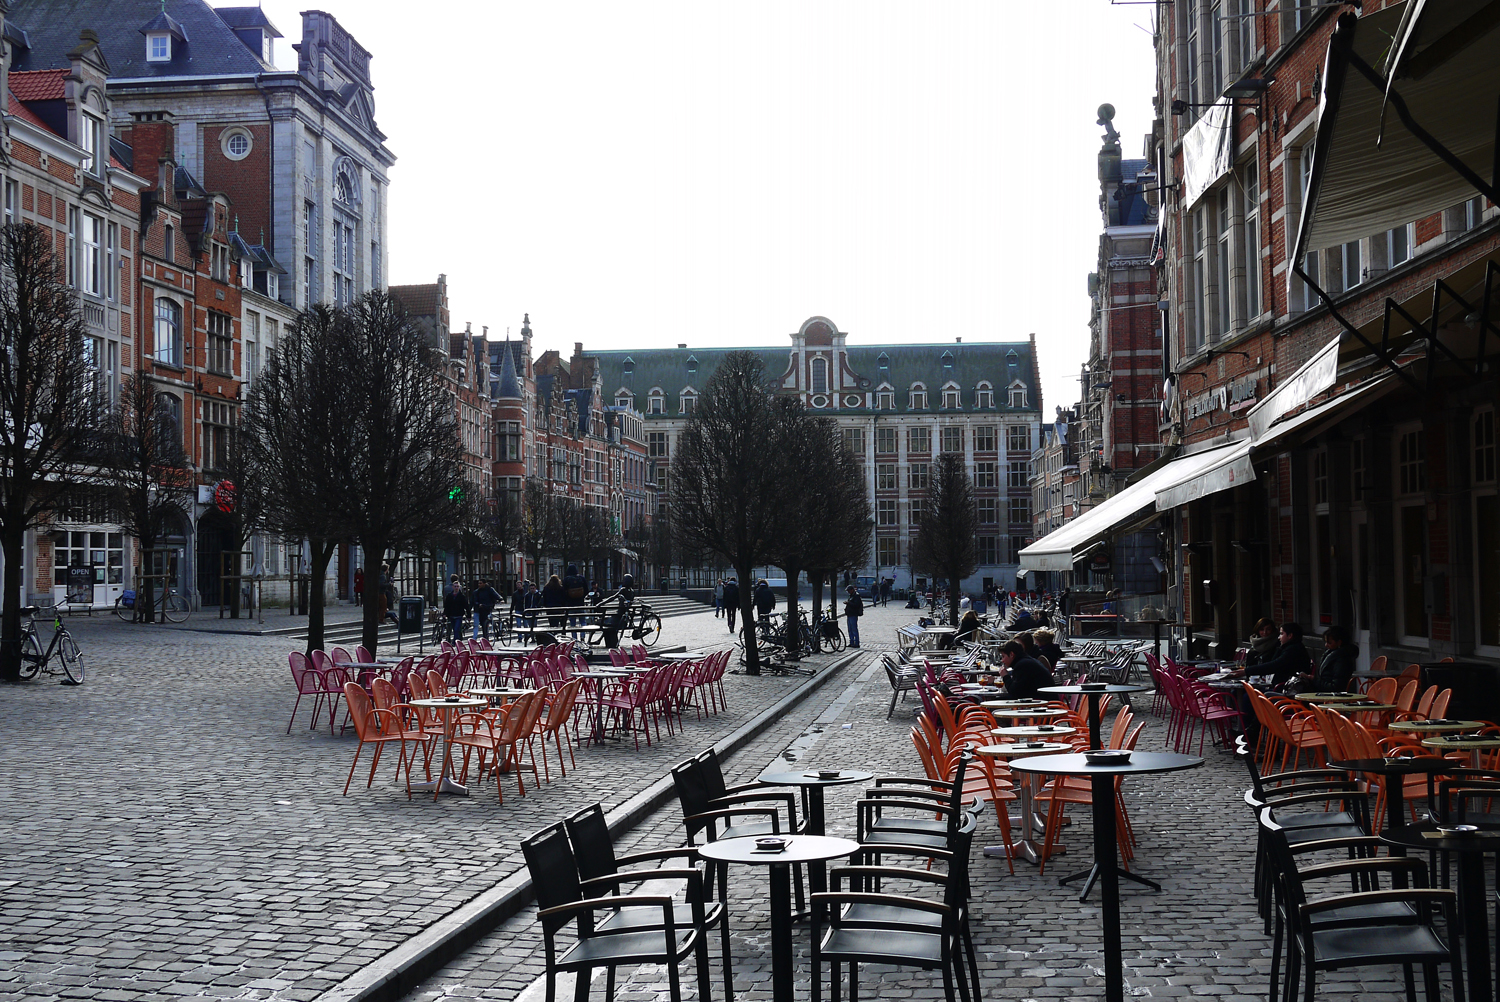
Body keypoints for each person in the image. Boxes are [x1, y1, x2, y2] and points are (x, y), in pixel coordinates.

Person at [1298, 626, 1359, 693]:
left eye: (1329, 643)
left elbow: (1336, 687)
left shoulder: (1342, 660)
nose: (1326, 645)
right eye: (1326, 642)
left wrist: (1312, 679)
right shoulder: (1331, 655)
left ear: (1339, 642)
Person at [1259, 622, 1314, 690]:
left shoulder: (1294, 650)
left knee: (1249, 696)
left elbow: (1275, 665)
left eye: (1281, 634)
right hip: (1282, 686)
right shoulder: (1286, 647)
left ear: (1290, 635)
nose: (1279, 637)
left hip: (1287, 688)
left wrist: (1246, 671)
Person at [599, 574, 636, 648]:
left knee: (602, 621)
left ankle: (603, 641)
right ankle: (604, 641)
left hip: (619, 616)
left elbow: (613, 597)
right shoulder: (632, 591)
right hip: (625, 617)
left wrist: (601, 603)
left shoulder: (623, 590)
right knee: (607, 623)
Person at [442, 574, 468, 642]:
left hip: (458, 614)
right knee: (454, 628)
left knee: (456, 629)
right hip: (451, 614)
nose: (456, 588)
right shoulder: (450, 596)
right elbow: (447, 605)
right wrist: (445, 613)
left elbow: (466, 605)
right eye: (455, 586)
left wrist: (468, 614)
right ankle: (456, 639)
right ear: (453, 587)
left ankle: (454, 641)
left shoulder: (461, 596)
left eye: (457, 586)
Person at [844, 585, 864, 649]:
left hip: (853, 614)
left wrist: (848, 603)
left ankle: (856, 642)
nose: (848, 592)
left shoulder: (856, 596)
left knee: (854, 629)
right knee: (850, 629)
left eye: (849, 590)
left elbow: (856, 605)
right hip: (849, 614)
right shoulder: (851, 596)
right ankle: (851, 642)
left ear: (852, 590)